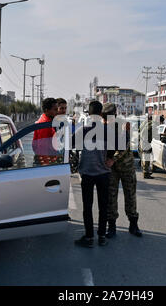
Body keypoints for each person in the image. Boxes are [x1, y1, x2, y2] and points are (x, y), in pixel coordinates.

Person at [74, 101, 114, 248]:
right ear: (101, 113)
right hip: (104, 173)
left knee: (87, 206)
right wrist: (111, 159)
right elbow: (119, 145)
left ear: (89, 114)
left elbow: (71, 144)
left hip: (87, 173)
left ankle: (89, 237)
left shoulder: (83, 130)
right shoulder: (108, 131)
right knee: (103, 206)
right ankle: (102, 236)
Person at [102, 103, 142, 239]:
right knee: (111, 197)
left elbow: (123, 145)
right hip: (111, 169)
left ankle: (133, 225)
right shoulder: (103, 127)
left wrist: (113, 158)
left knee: (130, 195)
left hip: (126, 166)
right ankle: (111, 226)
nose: (107, 120)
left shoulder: (123, 125)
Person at [32, 98, 59, 166]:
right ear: (47, 110)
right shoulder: (45, 125)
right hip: (45, 164)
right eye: (55, 109)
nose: (57, 112)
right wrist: (46, 167)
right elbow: (42, 149)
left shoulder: (48, 122)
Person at [139, 115, 154, 179]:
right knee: (146, 158)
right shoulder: (149, 125)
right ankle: (146, 174)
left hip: (142, 142)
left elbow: (139, 130)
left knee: (144, 157)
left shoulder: (143, 123)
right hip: (145, 142)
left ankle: (145, 172)